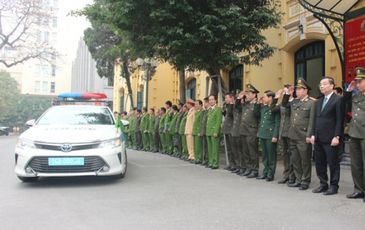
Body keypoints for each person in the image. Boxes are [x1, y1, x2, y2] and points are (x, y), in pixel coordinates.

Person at [310, 77, 343, 195]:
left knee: (333, 163)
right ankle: (323, 184)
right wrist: (313, 134)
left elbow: (340, 120)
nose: (321, 86)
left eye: (324, 84)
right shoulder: (318, 101)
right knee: (319, 162)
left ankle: (334, 186)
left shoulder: (338, 100)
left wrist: (337, 136)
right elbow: (315, 119)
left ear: (332, 86)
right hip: (318, 137)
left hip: (331, 137)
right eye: (320, 84)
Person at [281, 78, 315, 191]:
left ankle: (306, 180)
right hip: (293, 135)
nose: (297, 91)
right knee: (295, 159)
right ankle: (298, 179)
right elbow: (285, 104)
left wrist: (309, 135)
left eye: (300, 89)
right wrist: (287, 93)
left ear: (306, 90)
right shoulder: (294, 101)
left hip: (303, 135)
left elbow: (312, 121)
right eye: (296, 89)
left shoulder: (311, 102)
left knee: (305, 159)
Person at [344, 67, 365, 202]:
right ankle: (359, 189)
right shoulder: (356, 96)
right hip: (354, 132)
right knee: (356, 164)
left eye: (360, 81)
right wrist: (348, 91)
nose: (357, 84)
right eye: (356, 82)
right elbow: (345, 107)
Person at [272, 84, 296, 184]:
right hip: (283, 132)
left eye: (287, 90)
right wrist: (276, 98)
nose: (285, 92)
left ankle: (292, 176)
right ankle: (286, 175)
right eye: (285, 91)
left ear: (292, 91)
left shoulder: (295, 102)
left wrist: (287, 96)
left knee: (292, 155)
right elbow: (273, 110)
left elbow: (289, 109)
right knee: (285, 155)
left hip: (290, 132)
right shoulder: (283, 103)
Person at [255, 90, 280, 181]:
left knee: (271, 155)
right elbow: (256, 113)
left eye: (265, 96)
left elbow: (277, 123)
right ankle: (265, 171)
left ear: (270, 98)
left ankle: (270, 173)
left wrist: (275, 135)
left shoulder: (275, 108)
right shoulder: (264, 107)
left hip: (270, 135)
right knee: (264, 155)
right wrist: (258, 102)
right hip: (263, 134)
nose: (263, 98)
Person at [239, 84, 260, 178]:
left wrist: (256, 103)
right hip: (244, 130)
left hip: (252, 131)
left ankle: (255, 170)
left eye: (248, 93)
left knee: (252, 151)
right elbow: (236, 107)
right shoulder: (246, 104)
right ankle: (248, 168)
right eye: (246, 93)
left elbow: (257, 115)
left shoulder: (257, 105)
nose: (246, 95)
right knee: (245, 151)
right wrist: (241, 97)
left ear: (254, 95)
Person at [206, 95, 223, 169]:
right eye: (210, 100)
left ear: (215, 100)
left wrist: (216, 131)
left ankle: (215, 163)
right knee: (210, 148)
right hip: (208, 131)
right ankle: (210, 162)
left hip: (214, 131)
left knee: (215, 149)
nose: (211, 101)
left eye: (212, 99)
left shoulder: (218, 109)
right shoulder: (210, 109)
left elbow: (218, 121)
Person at [222, 93, 236, 171]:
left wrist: (230, 105)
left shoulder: (234, 106)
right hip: (227, 129)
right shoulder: (228, 106)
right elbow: (226, 115)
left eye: (226, 98)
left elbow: (231, 114)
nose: (225, 99)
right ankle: (231, 164)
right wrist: (224, 110)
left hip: (231, 130)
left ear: (231, 98)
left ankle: (235, 164)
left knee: (233, 149)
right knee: (229, 149)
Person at [230, 93, 243, 174]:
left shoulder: (242, 107)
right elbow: (230, 112)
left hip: (239, 131)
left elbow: (238, 106)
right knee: (234, 150)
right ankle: (237, 165)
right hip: (234, 131)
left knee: (240, 151)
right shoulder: (235, 107)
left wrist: (239, 99)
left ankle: (241, 166)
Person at [199, 97, 210, 165]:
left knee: (207, 147)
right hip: (203, 131)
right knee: (204, 146)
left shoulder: (209, 111)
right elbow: (202, 123)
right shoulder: (204, 111)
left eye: (205, 103)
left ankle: (208, 160)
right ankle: (205, 159)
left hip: (207, 131)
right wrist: (201, 131)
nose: (204, 104)